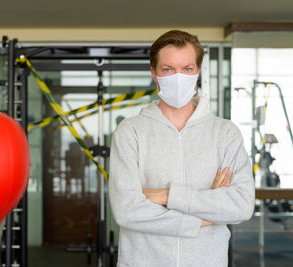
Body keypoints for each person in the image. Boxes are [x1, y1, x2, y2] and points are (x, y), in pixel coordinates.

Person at [108, 30, 255, 267]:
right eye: (168, 69)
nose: (178, 77)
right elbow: (127, 210)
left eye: (187, 69)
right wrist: (206, 216)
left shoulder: (225, 133)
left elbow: (241, 206)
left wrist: (165, 196)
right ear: (154, 74)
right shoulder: (130, 131)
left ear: (198, 71)